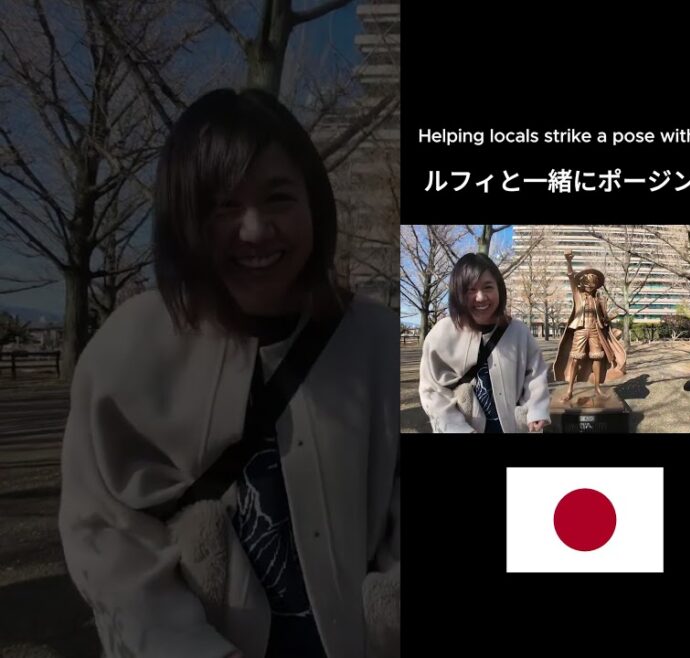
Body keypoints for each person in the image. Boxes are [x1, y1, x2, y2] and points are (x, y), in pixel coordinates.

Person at [57, 88, 401, 658]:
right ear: (182, 219)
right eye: (222, 206)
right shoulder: (130, 348)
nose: (256, 230)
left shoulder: (374, 340)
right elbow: (104, 537)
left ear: (314, 203)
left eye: (278, 198)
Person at [418, 253, 552, 433]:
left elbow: (535, 374)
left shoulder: (519, 331)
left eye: (488, 287)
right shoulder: (441, 335)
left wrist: (537, 409)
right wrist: (458, 429)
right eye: (470, 290)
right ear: (457, 294)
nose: (480, 297)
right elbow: (432, 392)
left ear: (499, 289)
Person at [552, 250, 627, 403]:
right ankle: (569, 390)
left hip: (595, 331)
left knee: (597, 358)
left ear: (596, 286)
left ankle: (598, 389)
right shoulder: (577, 294)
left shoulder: (599, 300)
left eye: (592, 284)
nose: (589, 286)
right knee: (575, 359)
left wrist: (611, 316)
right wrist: (569, 262)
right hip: (580, 330)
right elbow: (571, 277)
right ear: (583, 284)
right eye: (587, 283)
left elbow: (604, 320)